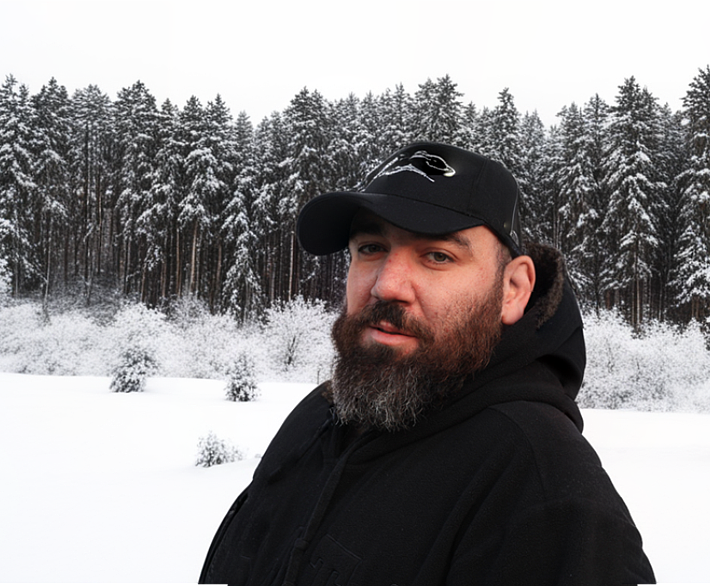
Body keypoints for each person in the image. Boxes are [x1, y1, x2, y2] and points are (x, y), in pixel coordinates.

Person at [198, 142, 655, 585]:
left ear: (512, 289)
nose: (386, 286)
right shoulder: (322, 413)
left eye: (437, 256)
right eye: (371, 248)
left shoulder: (545, 495)